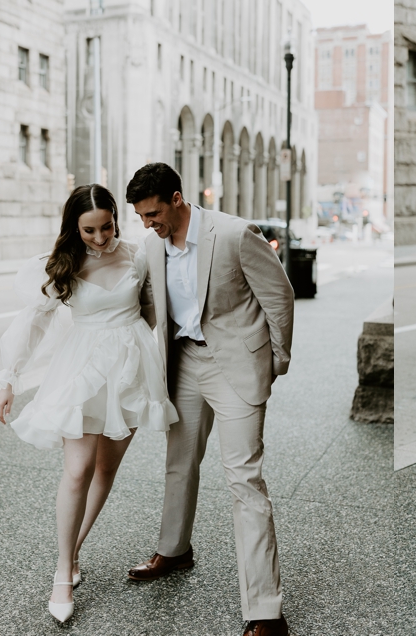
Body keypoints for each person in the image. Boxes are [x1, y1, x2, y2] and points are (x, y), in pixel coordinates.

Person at [123, 163, 296, 636]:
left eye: (153, 213)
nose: (148, 224)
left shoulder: (236, 234)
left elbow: (279, 297)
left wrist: (276, 360)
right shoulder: (151, 244)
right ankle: (174, 550)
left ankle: (265, 611)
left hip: (236, 367)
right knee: (179, 463)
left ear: (177, 199)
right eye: (140, 216)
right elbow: (143, 303)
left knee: (244, 481)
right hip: (183, 364)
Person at [0, 184, 177, 624]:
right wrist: (9, 379)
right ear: (74, 227)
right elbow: (33, 322)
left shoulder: (138, 254)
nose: (99, 238)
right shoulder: (64, 264)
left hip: (131, 371)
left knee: (105, 469)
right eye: (89, 230)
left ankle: (73, 552)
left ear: (117, 217)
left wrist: (134, 346)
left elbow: (151, 310)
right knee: (76, 469)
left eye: (106, 226)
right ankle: (62, 573)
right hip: (83, 370)